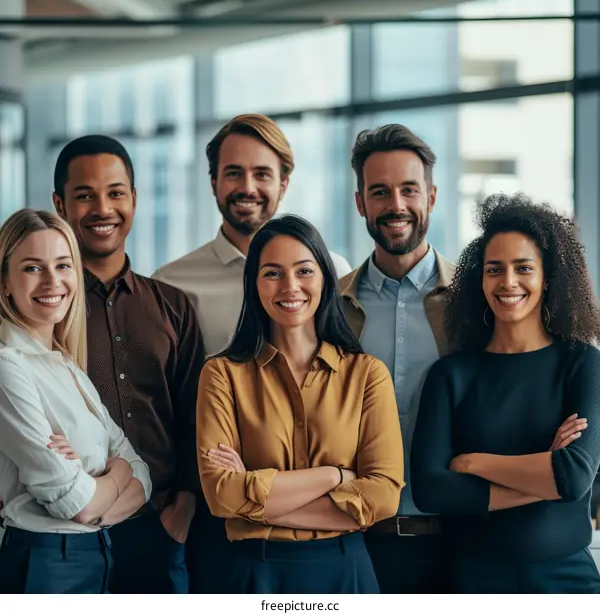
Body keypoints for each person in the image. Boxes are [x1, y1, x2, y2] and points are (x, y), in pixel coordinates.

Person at [196, 215, 403, 594]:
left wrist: (253, 507)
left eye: (304, 270)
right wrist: (337, 477)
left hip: (346, 572)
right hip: (253, 574)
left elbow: (384, 497)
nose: (290, 286)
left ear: (324, 278)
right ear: (254, 284)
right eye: (272, 273)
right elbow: (221, 495)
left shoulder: (368, 375)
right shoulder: (222, 375)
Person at [412, 193, 600, 593]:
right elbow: (431, 490)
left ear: (548, 276)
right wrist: (541, 475)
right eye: (494, 269)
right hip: (471, 580)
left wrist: (472, 462)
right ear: (480, 280)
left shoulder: (583, 364)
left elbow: (572, 478)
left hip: (566, 581)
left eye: (523, 268)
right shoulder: (451, 374)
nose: (508, 282)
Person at [52, 135, 206, 594]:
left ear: (135, 200)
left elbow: (197, 417)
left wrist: (182, 514)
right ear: (60, 204)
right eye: (85, 195)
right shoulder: (42, 307)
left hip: (159, 531)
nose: (103, 208)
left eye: (116, 193)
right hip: (66, 532)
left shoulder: (173, 306)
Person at [0, 209, 151, 594]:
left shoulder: (66, 365)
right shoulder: (7, 365)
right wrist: (117, 474)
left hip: (93, 555)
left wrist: (99, 485)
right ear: (5, 283)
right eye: (33, 268)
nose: (53, 281)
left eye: (63, 265)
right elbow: (77, 504)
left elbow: (143, 476)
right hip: (44, 562)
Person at [339, 124, 454, 593]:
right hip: (355, 539)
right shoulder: (330, 308)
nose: (397, 206)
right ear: (361, 202)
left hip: (459, 542)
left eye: (409, 190)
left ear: (431, 196)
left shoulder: (476, 304)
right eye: (380, 192)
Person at [153, 113, 352, 357]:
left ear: (283, 185)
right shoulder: (170, 286)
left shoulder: (334, 272)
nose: (247, 188)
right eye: (234, 173)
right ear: (214, 182)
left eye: (262, 174)